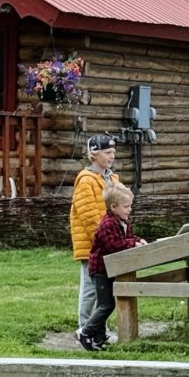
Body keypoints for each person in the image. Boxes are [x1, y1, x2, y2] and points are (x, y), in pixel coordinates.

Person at [77, 182, 147, 352]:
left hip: (110, 269)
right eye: (126, 206)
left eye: (130, 206)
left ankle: (99, 339)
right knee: (106, 305)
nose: (129, 209)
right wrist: (133, 243)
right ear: (113, 207)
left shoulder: (122, 221)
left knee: (105, 304)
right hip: (100, 270)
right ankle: (85, 332)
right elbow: (114, 245)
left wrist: (138, 239)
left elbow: (127, 237)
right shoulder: (108, 223)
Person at [70, 134, 119, 331]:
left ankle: (99, 327)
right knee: (90, 289)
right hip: (93, 245)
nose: (112, 156)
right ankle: (84, 327)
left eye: (114, 152)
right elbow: (89, 217)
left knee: (104, 290)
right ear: (94, 154)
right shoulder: (86, 181)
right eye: (107, 152)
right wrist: (103, 242)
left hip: (109, 242)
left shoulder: (112, 178)